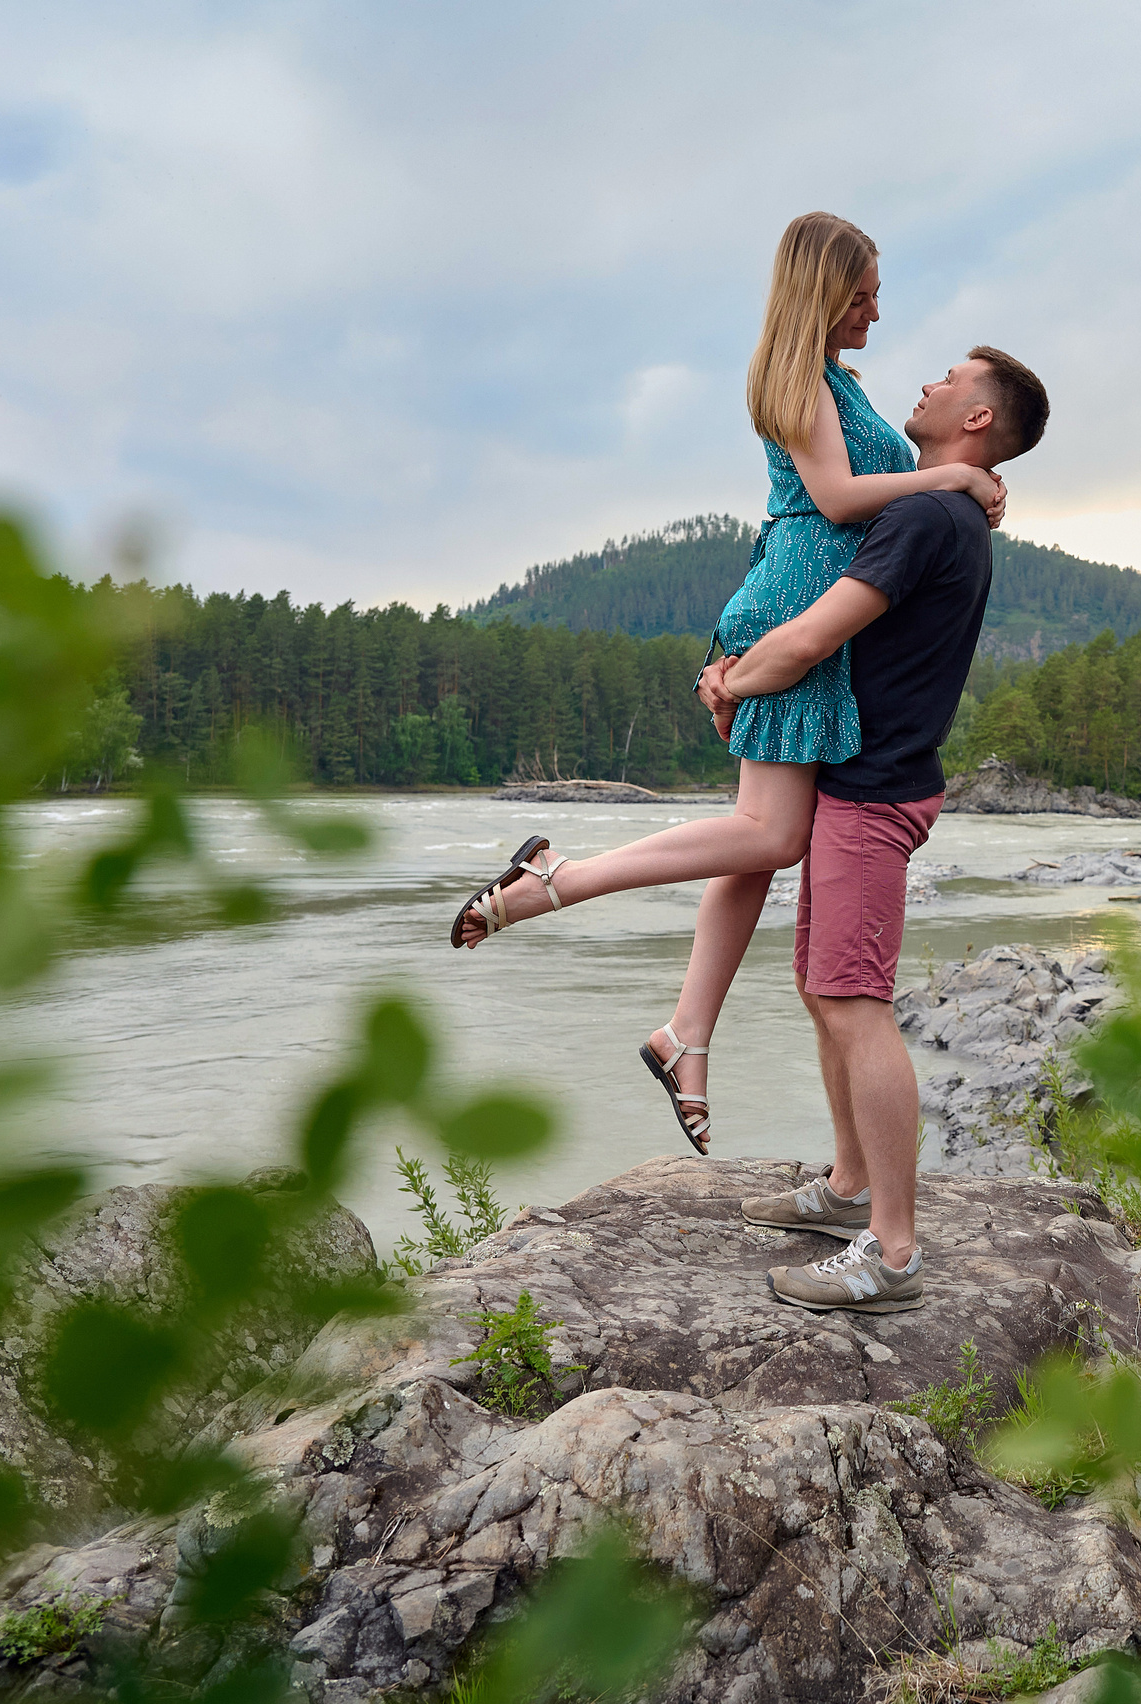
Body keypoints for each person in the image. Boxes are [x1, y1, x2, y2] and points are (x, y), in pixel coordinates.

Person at [444, 211, 1002, 1160]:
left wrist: (962, 479)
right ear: (825, 290)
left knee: (753, 848)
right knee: (771, 835)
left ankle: (686, 1039)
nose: (876, 309)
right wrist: (951, 484)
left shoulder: (840, 382)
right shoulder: (797, 381)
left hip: (810, 619)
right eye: (863, 292)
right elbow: (833, 501)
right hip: (794, 609)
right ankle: (554, 882)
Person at [720, 345, 1050, 1315]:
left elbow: (815, 635)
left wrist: (730, 681)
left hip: (872, 792)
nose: (927, 385)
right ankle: (849, 1186)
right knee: (823, 987)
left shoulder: (922, 516)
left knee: (854, 1001)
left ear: (978, 420)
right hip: (866, 783)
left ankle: (893, 1251)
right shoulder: (945, 506)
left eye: (950, 379)